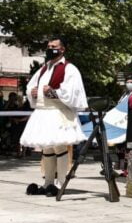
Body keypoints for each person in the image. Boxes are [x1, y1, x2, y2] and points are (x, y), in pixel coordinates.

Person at [20, 36, 88, 196]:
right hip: (43, 113)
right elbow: (31, 85)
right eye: (49, 46)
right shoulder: (44, 68)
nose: (50, 49)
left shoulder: (70, 69)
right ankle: (48, 183)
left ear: (62, 49)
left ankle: (61, 183)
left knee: (59, 146)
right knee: (47, 148)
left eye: (54, 46)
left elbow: (72, 92)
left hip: (58, 112)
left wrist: (52, 92)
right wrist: (33, 92)